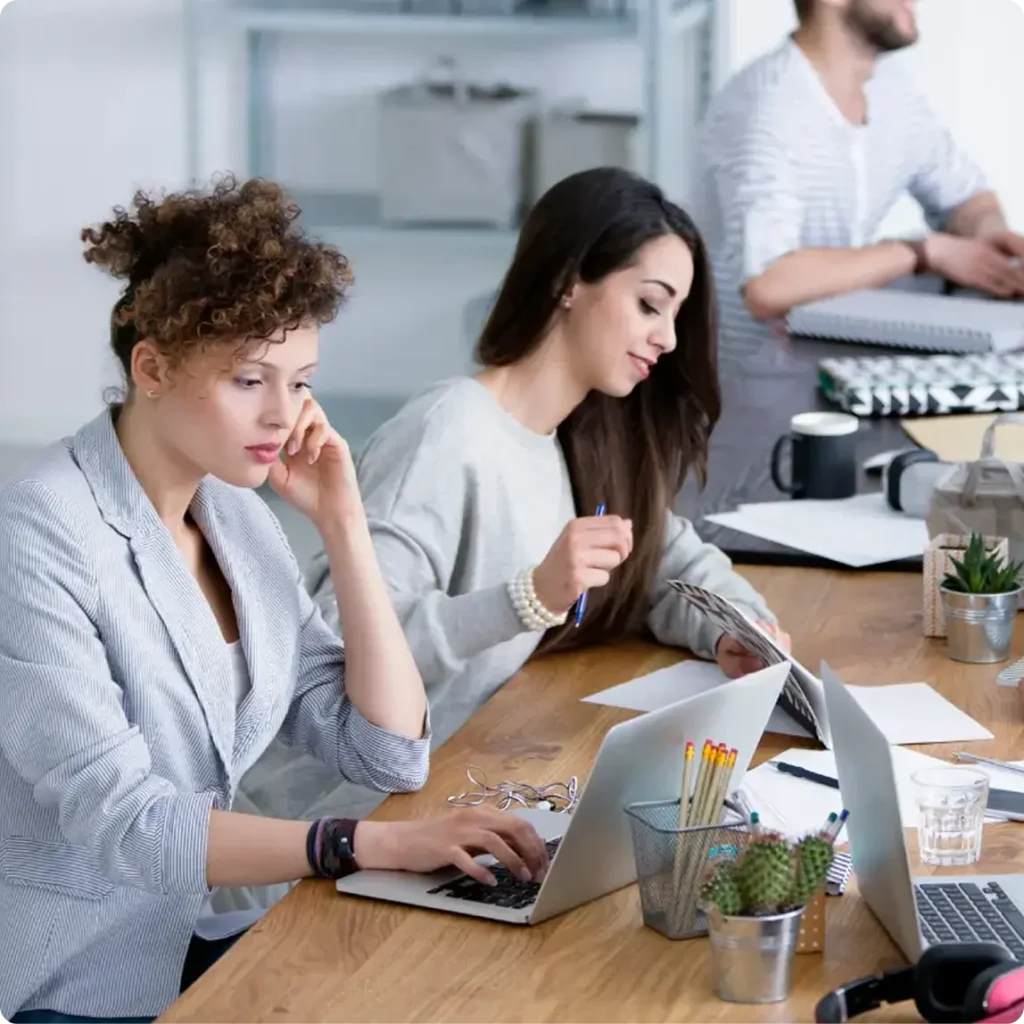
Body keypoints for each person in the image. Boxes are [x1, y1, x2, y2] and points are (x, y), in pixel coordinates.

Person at [0, 177, 548, 1024]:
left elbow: (386, 751)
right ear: (152, 367)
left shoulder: (233, 516)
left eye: (300, 383)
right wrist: (365, 843)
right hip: (75, 978)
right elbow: (131, 825)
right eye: (250, 379)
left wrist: (345, 524)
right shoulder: (42, 531)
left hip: (197, 937)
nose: (281, 414)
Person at [303, 166, 789, 792]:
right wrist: (526, 598)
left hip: (468, 781)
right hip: (345, 816)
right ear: (567, 280)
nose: (667, 339)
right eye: (649, 304)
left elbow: (673, 566)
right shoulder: (447, 434)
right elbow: (341, 644)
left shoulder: (583, 437)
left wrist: (736, 631)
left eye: (675, 316)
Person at [695, 0, 1024, 364]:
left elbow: (966, 196)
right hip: (759, 387)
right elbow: (769, 285)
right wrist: (921, 253)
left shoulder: (890, 91)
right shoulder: (767, 109)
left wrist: (991, 246)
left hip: (840, 364)